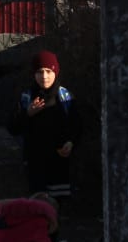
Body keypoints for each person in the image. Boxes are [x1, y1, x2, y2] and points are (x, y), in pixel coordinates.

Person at [6, 49, 81, 199]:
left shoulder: (65, 97)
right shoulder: (26, 97)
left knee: (57, 209)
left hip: (59, 166)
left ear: (56, 72)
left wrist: (71, 142)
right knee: (37, 209)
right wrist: (28, 114)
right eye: (40, 71)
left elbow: (77, 126)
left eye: (48, 71)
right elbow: (12, 127)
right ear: (34, 74)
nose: (44, 76)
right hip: (35, 165)